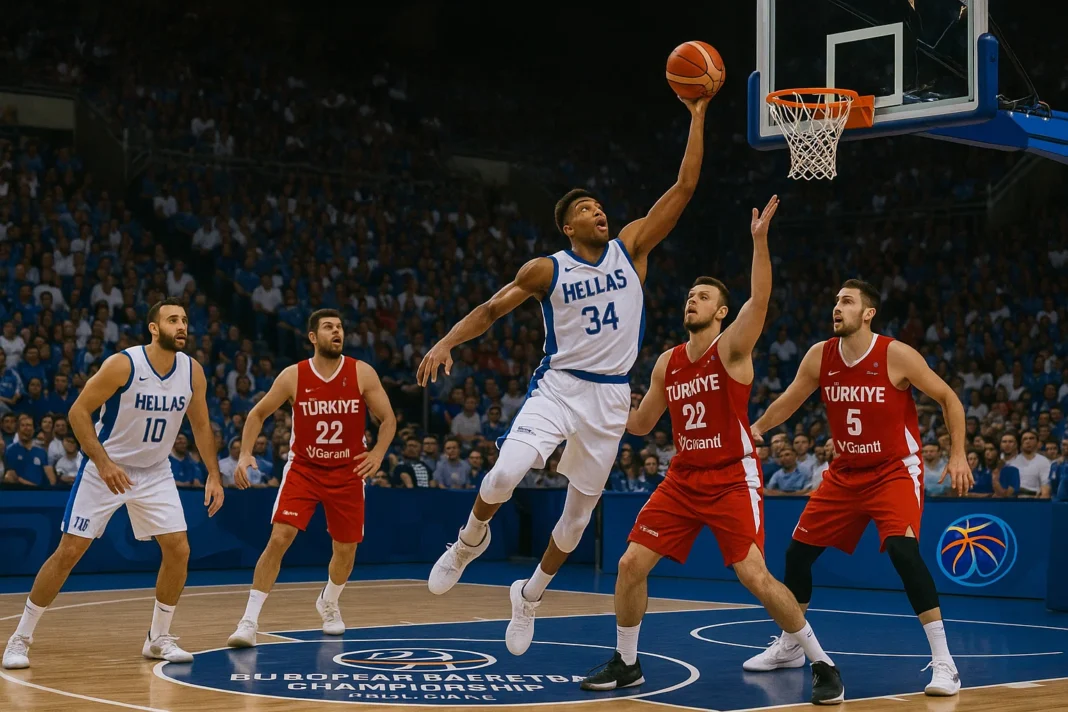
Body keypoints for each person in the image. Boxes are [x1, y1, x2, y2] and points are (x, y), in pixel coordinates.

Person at [417, 95, 712, 656]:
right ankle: (467, 542)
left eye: (602, 206)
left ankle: (528, 596)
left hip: (610, 400)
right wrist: (446, 341)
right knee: (505, 475)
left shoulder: (632, 248)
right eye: (588, 208)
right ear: (568, 224)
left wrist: (697, 115)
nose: (600, 212)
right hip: (560, 385)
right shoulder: (546, 268)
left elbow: (684, 188)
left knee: (575, 525)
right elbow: (490, 310)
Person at [580, 201, 844, 706]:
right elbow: (639, 425)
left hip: (730, 476)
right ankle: (628, 663)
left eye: (702, 297)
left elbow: (761, 301)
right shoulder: (666, 364)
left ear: (721, 311)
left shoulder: (732, 349)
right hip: (683, 478)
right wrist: (601, 400)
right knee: (630, 563)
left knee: (753, 574)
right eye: (688, 296)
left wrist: (760, 242)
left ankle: (821, 661)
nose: (691, 301)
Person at [746, 279, 973, 697]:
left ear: (868, 313)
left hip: (893, 470)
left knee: (904, 553)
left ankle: (946, 664)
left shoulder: (895, 354)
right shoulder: (821, 355)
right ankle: (791, 645)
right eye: (835, 301)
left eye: (847, 302)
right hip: (845, 472)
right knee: (798, 554)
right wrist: (757, 427)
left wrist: (957, 454)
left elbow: (948, 398)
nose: (837, 307)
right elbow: (792, 399)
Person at [3, 298, 226, 669]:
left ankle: (158, 638)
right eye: (173, 320)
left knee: (178, 549)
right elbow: (77, 411)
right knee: (69, 552)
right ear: (154, 328)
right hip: (107, 468)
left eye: (185, 320)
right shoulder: (124, 363)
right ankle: (19, 638)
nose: (182, 326)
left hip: (155, 471)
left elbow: (201, 425)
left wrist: (214, 476)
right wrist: (102, 463)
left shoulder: (192, 372)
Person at [226, 309, 396, 647]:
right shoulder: (294, 376)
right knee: (280, 538)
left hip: (348, 472)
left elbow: (388, 419)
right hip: (305, 469)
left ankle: (329, 602)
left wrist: (377, 454)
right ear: (312, 337)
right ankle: (248, 620)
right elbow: (258, 413)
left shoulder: (362, 373)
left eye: (340, 327)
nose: (337, 332)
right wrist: (245, 455)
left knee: (346, 550)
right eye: (329, 327)